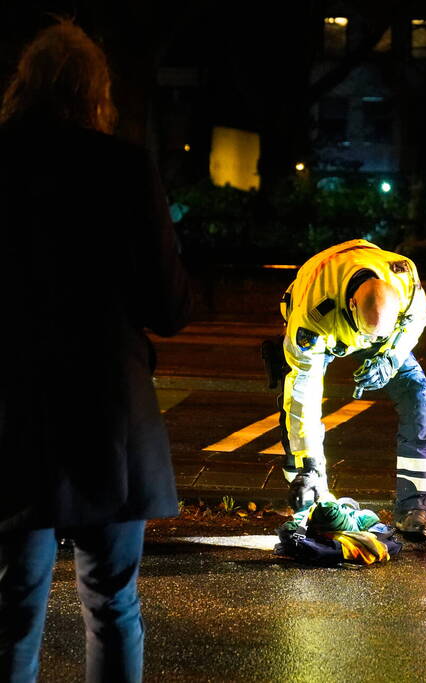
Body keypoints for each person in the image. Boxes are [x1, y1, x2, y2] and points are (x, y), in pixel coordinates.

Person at [0, 19, 192, 682]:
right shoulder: (123, 166)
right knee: (112, 603)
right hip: (109, 413)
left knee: (11, 609)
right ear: (95, 92)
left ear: (24, 87)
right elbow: (168, 308)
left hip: (14, 409)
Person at [276, 239, 426, 541]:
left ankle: (414, 510)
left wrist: (390, 357)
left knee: (421, 400)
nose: (367, 342)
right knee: (292, 407)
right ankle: (310, 494)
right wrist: (308, 463)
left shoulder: (403, 276)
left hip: (381, 336)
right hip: (327, 329)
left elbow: (418, 318)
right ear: (352, 305)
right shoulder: (313, 311)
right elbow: (304, 392)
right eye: (366, 334)